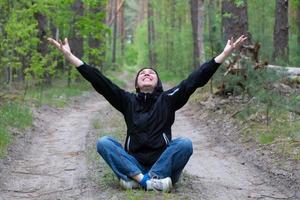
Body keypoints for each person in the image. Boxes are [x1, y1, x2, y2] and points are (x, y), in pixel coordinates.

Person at [48, 35, 247, 192]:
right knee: (104, 142)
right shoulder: (127, 100)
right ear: (136, 84)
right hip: (134, 162)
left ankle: (143, 180)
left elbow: (195, 80)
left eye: (151, 73)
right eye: (142, 73)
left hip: (164, 164)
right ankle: (147, 181)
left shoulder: (168, 99)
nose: (146, 74)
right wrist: (71, 58)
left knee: (184, 143)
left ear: (157, 83)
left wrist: (223, 55)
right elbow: (101, 82)